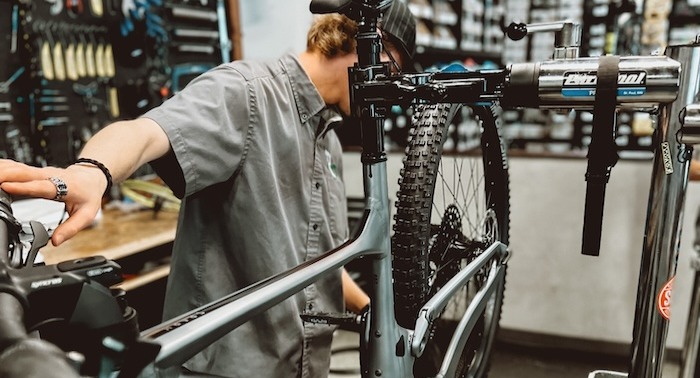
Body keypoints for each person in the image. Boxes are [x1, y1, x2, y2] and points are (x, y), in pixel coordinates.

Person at [0, 1, 416, 377]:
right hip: (228, 368)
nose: (390, 95)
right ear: (364, 44)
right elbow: (146, 133)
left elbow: (318, 258)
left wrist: (372, 308)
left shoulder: (328, 139)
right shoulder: (248, 92)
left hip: (300, 366)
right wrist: (91, 172)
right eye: (392, 71)